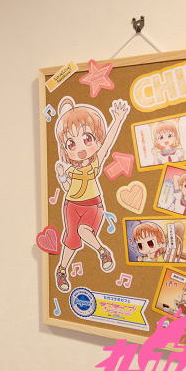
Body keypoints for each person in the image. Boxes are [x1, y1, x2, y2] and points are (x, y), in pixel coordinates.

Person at [54, 96, 130, 293]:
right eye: (71, 144)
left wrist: (118, 119)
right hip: (71, 205)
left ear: (97, 138)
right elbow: (69, 188)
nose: (80, 149)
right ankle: (62, 270)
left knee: (83, 230)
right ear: (64, 149)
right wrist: (62, 176)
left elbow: (108, 142)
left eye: (87, 139)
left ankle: (102, 251)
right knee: (71, 240)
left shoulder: (95, 162)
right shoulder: (71, 170)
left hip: (93, 205)